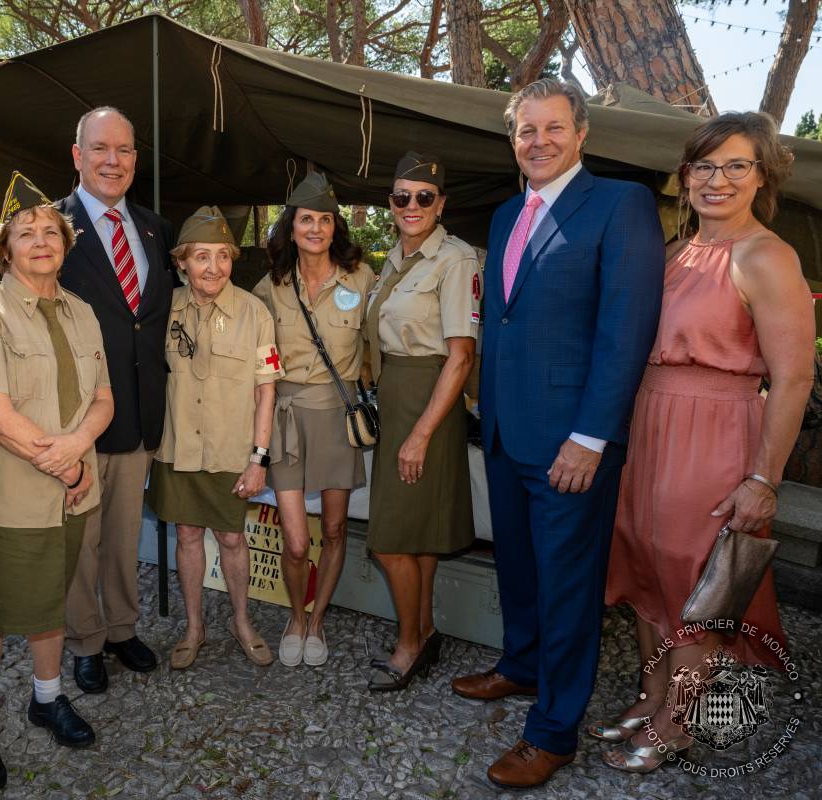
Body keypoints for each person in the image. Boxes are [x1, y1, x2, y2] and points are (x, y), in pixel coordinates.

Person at [451, 78, 664, 789]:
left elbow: (624, 332)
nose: (537, 141)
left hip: (574, 442)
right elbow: (504, 322)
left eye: (551, 128)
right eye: (525, 130)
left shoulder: (620, 205)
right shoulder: (509, 214)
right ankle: (519, 666)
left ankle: (553, 731)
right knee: (518, 566)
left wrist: (593, 436)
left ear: (582, 134)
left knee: (568, 582)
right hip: (510, 433)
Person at [598, 112, 813, 773]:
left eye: (735, 166)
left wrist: (763, 479)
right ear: (684, 176)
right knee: (645, 573)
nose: (716, 180)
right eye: (704, 166)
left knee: (700, 589)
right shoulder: (675, 251)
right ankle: (651, 692)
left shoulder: (768, 256)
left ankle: (678, 721)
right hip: (654, 425)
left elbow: (794, 375)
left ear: (762, 175)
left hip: (715, 434)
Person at [0, 173, 114, 791]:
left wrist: (78, 453)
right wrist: (67, 461)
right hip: (9, 494)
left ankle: (47, 698)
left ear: (66, 244)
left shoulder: (82, 311)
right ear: (5, 248)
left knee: (52, 601)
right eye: (26, 233)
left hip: (74, 488)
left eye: (51, 231)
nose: (41, 241)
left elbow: (104, 400)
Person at [56, 106, 176, 694]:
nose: (113, 160)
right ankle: (84, 639)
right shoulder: (50, 225)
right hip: (78, 416)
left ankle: (122, 628)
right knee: (82, 540)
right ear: (77, 155)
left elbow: (149, 320)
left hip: (140, 411)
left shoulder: (155, 227)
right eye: (100, 148)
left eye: (124, 150)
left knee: (126, 534)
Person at [147, 206, 281, 668]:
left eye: (223, 256)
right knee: (186, 534)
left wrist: (258, 457)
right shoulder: (164, 308)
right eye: (201, 257)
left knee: (230, 537)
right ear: (181, 261)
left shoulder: (255, 313)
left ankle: (241, 620)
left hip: (230, 449)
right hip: (179, 445)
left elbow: (267, 391)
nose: (213, 267)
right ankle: (194, 626)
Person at [364, 153, 479, 692]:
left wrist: (420, 434)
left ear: (441, 204)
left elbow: (460, 356)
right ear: (390, 204)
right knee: (417, 535)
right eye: (401, 196)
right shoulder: (395, 258)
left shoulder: (454, 260)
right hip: (397, 396)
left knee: (389, 538)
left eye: (424, 197)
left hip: (428, 401)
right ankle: (425, 631)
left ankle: (409, 646)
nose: (411, 206)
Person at [252, 172, 375, 667]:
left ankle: (317, 619)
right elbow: (257, 361)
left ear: (335, 227)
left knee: (338, 529)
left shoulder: (362, 278)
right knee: (298, 541)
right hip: (286, 418)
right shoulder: (270, 287)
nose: (317, 228)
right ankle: (295, 617)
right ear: (292, 225)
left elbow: (379, 342)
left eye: (325, 219)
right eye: (307, 219)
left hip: (337, 416)